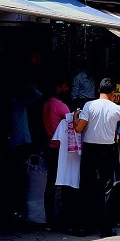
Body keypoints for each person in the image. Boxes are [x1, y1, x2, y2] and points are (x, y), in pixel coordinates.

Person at [73, 78, 120, 237]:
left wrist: (76, 116)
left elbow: (79, 128)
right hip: (108, 149)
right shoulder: (116, 108)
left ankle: (83, 227)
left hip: (89, 148)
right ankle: (105, 228)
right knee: (107, 188)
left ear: (98, 90)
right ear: (113, 92)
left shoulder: (89, 105)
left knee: (86, 186)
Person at [41, 77, 71, 228]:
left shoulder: (46, 104)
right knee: (64, 182)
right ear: (58, 88)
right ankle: (63, 218)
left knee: (51, 183)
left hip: (50, 147)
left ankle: (50, 219)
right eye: (65, 86)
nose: (67, 89)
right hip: (60, 148)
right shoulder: (60, 106)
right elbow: (73, 123)